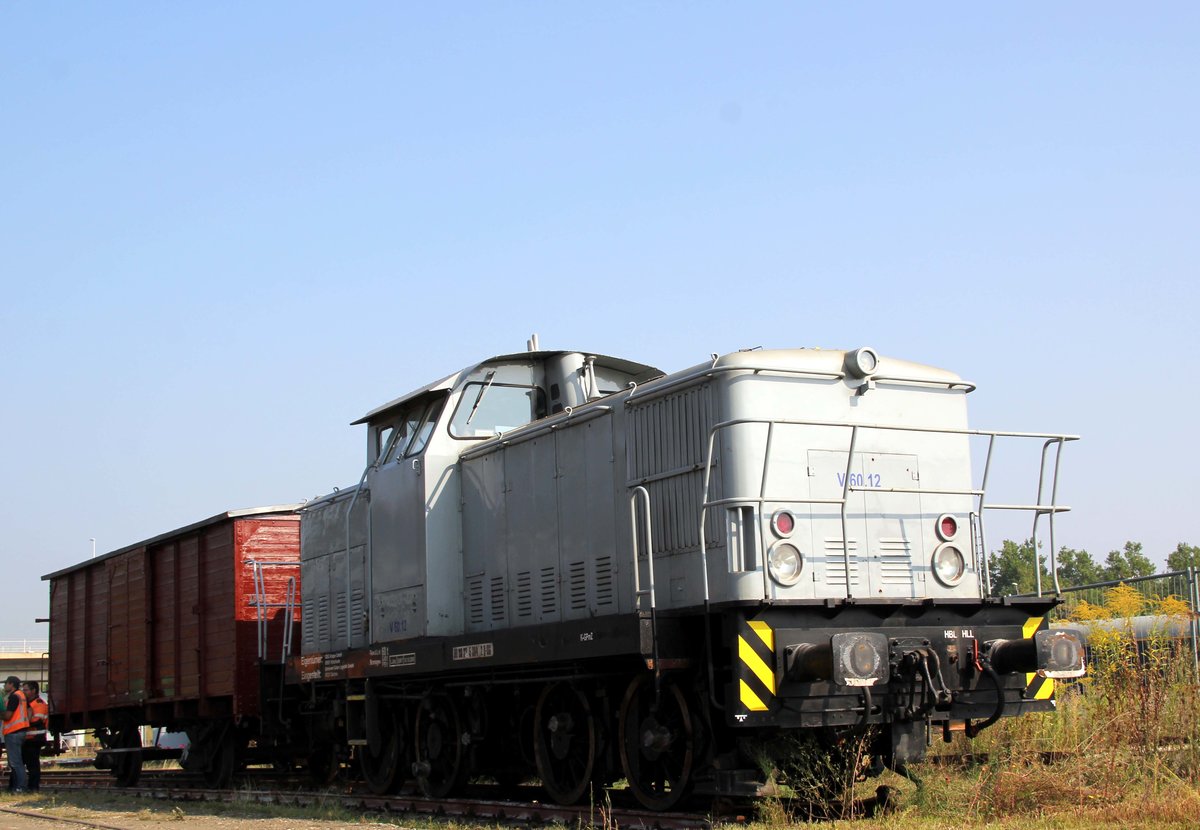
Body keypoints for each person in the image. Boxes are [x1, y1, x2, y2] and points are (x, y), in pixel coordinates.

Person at [1, 676, 29, 792]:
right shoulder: (21, 695)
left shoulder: (14, 697)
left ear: (11, 684)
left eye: (6, 683)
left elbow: (8, 716)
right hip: (20, 731)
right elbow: (29, 711)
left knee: (15, 762)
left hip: (14, 732)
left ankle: (21, 787)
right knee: (16, 761)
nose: (5, 686)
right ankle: (18, 786)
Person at [20, 682, 47, 792]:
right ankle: (29, 787)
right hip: (28, 738)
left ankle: (33, 788)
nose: (24, 692)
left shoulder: (38, 703)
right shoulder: (29, 703)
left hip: (35, 738)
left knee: (32, 765)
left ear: (34, 690)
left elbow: (36, 721)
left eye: (26, 690)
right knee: (26, 763)